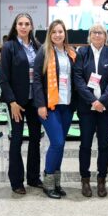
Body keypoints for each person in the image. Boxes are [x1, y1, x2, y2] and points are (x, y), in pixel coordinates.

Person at [73, 23, 108, 197]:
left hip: (105, 109)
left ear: (106, 36)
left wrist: (102, 102)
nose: (97, 35)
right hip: (87, 108)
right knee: (85, 145)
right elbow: (77, 78)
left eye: (100, 32)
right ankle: (85, 179)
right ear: (89, 35)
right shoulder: (82, 52)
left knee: (104, 146)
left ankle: (102, 179)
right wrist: (93, 101)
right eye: (94, 32)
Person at [33, 19, 76, 199]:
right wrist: (41, 104)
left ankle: (56, 182)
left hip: (67, 105)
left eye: (61, 31)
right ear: (49, 34)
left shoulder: (71, 53)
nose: (58, 35)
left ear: (65, 33)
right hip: (50, 106)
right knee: (57, 142)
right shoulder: (44, 52)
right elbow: (36, 79)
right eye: (54, 32)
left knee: (61, 145)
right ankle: (48, 182)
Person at [0, 13, 43, 194]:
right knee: (16, 140)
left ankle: (33, 178)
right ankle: (16, 181)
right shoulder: (9, 47)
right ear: (15, 26)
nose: (24, 27)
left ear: (31, 26)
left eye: (27, 24)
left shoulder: (38, 47)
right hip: (18, 102)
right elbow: (3, 78)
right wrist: (12, 101)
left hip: (35, 101)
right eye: (20, 24)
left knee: (35, 139)